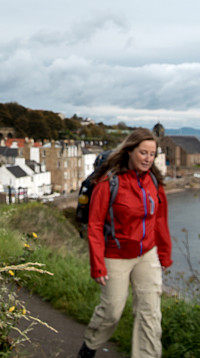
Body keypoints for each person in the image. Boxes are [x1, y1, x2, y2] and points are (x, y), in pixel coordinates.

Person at [78, 128, 172, 358]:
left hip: (146, 253)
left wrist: (165, 253)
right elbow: (96, 226)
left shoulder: (153, 181)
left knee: (150, 313)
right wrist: (97, 264)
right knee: (111, 311)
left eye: (152, 154)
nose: (148, 158)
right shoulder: (108, 183)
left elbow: (160, 219)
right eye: (143, 153)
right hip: (115, 255)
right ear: (129, 151)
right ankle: (89, 347)